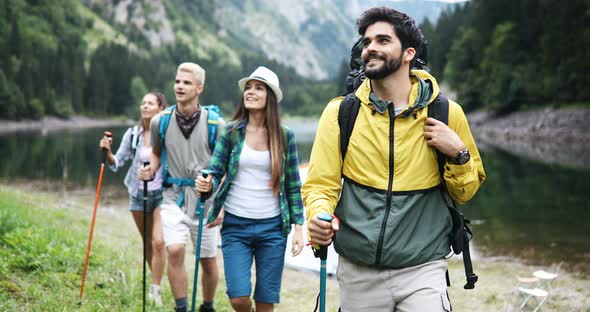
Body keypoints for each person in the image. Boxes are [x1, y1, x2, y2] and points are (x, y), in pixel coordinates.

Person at [302, 7, 486, 311]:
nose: (370, 47)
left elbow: (465, 192)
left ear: (408, 53)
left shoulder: (446, 113)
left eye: (383, 40)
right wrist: (319, 216)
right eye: (367, 41)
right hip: (358, 271)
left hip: (423, 269)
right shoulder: (341, 113)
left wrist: (459, 153)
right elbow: (321, 185)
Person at [195, 66, 304, 312]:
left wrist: (299, 228)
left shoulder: (285, 136)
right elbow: (214, 170)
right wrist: (206, 183)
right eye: (248, 88)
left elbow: (294, 185)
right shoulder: (232, 132)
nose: (250, 92)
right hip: (236, 226)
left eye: (259, 88)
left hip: (273, 228)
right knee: (238, 297)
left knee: (266, 301)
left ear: (271, 97)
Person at [138, 62, 224, 312]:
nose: (180, 86)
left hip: (206, 200)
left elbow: (225, 168)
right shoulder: (159, 122)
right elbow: (156, 153)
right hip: (172, 196)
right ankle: (181, 307)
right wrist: (150, 169)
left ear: (199, 87)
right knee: (174, 250)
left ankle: (207, 306)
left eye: (186, 82)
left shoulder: (215, 124)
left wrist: (220, 205)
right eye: (177, 81)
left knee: (207, 260)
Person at [99, 91, 168, 305]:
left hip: (163, 194)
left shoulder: (166, 132)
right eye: (143, 103)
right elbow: (116, 162)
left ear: (160, 109)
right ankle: (156, 283)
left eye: (150, 103)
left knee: (158, 242)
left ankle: (155, 290)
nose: (145, 106)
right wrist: (107, 152)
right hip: (138, 194)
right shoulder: (132, 134)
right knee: (147, 242)